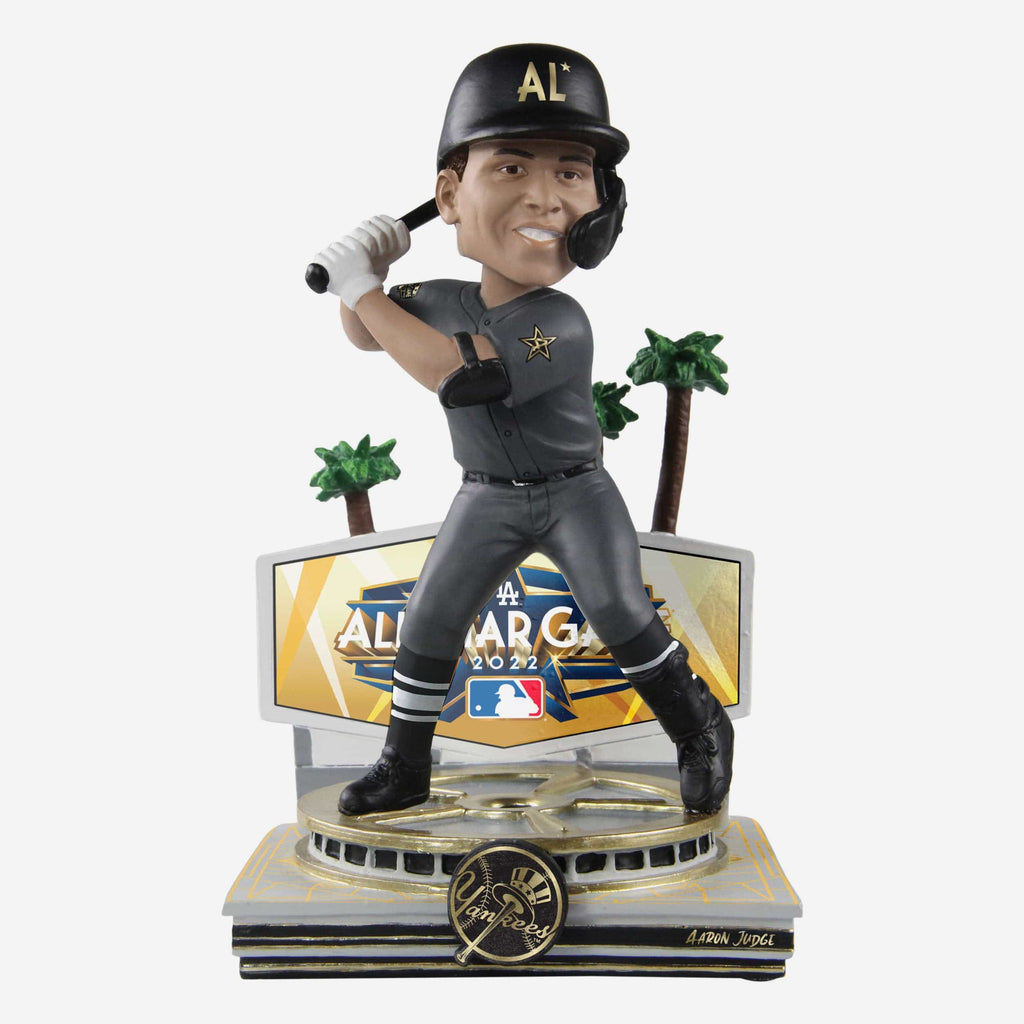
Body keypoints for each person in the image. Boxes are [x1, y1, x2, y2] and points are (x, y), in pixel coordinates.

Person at [312, 43, 733, 817]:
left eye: (571, 174)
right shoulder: (442, 297)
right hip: (487, 496)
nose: (543, 198)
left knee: (619, 612)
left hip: (575, 495)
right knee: (429, 617)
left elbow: (457, 377)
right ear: (450, 195)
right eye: (510, 168)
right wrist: (367, 273)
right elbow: (369, 333)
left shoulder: (560, 321)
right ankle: (405, 766)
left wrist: (361, 287)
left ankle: (699, 726)